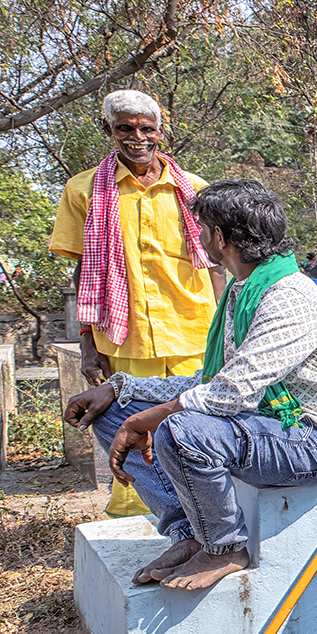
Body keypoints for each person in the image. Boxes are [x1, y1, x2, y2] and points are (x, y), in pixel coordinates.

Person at [62, 180, 317, 591]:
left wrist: (153, 417)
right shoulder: (241, 290)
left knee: (183, 429)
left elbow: (231, 393)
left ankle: (225, 547)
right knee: (111, 414)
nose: (197, 236)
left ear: (219, 237)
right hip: (261, 426)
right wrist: (120, 388)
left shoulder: (289, 294)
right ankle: (188, 533)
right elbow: (211, 383)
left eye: (201, 228)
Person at [50, 89, 221, 518]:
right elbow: (82, 271)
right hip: (123, 337)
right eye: (125, 127)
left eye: (147, 128)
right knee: (129, 430)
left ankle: (202, 510)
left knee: (194, 426)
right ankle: (138, 513)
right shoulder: (83, 189)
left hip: (194, 331)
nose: (137, 137)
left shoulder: (195, 191)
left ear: (161, 132)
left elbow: (217, 265)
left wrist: (229, 326)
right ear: (108, 129)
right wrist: (87, 342)